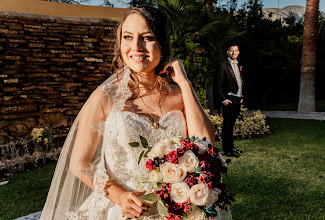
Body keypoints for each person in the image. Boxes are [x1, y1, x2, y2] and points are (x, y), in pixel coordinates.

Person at [40, 6, 232, 220]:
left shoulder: (180, 95)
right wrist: (119, 196)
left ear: (162, 42)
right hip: (123, 210)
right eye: (128, 37)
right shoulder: (104, 97)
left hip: (178, 210)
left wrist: (185, 84)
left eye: (147, 37)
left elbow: (205, 142)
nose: (136, 46)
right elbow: (80, 163)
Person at [216, 43, 244, 158]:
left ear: (238, 52)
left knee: (231, 125)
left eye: (236, 50)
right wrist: (224, 100)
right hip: (229, 99)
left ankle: (231, 147)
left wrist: (241, 96)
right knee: (227, 126)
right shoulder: (222, 65)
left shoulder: (239, 65)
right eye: (231, 51)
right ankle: (227, 150)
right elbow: (218, 86)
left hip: (237, 99)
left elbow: (240, 81)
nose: (234, 53)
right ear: (228, 52)